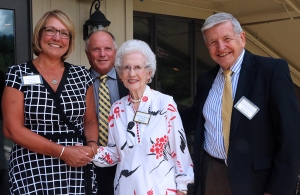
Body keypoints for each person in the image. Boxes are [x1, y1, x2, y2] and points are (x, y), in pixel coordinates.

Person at [180, 12, 300, 195]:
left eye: (227, 38)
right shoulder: (206, 80)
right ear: (207, 46)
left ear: (242, 38)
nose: (221, 47)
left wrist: (278, 190)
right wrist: (158, 109)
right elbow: (194, 118)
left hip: (257, 181)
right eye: (213, 42)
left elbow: (291, 137)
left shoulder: (270, 71)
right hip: (213, 173)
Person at [1, 10, 98, 194]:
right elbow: (11, 129)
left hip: (75, 169)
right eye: (50, 30)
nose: (57, 37)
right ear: (39, 34)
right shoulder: (18, 74)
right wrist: (62, 152)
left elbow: (90, 120)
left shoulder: (82, 75)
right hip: (32, 167)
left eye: (64, 33)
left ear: (69, 40)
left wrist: (92, 146)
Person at [92, 39, 194, 195]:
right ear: (121, 74)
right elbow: (114, 153)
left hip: (161, 188)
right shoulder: (117, 109)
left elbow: (179, 150)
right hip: (125, 189)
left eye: (138, 67)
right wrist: (88, 152)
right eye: (127, 68)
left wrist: (182, 187)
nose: (132, 73)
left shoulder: (165, 104)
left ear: (149, 73)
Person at [85, 30, 129, 195]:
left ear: (115, 52)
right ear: (87, 54)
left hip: (125, 164)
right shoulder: (77, 81)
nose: (102, 54)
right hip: (88, 164)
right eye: (96, 49)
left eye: (107, 49)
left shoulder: (131, 80)